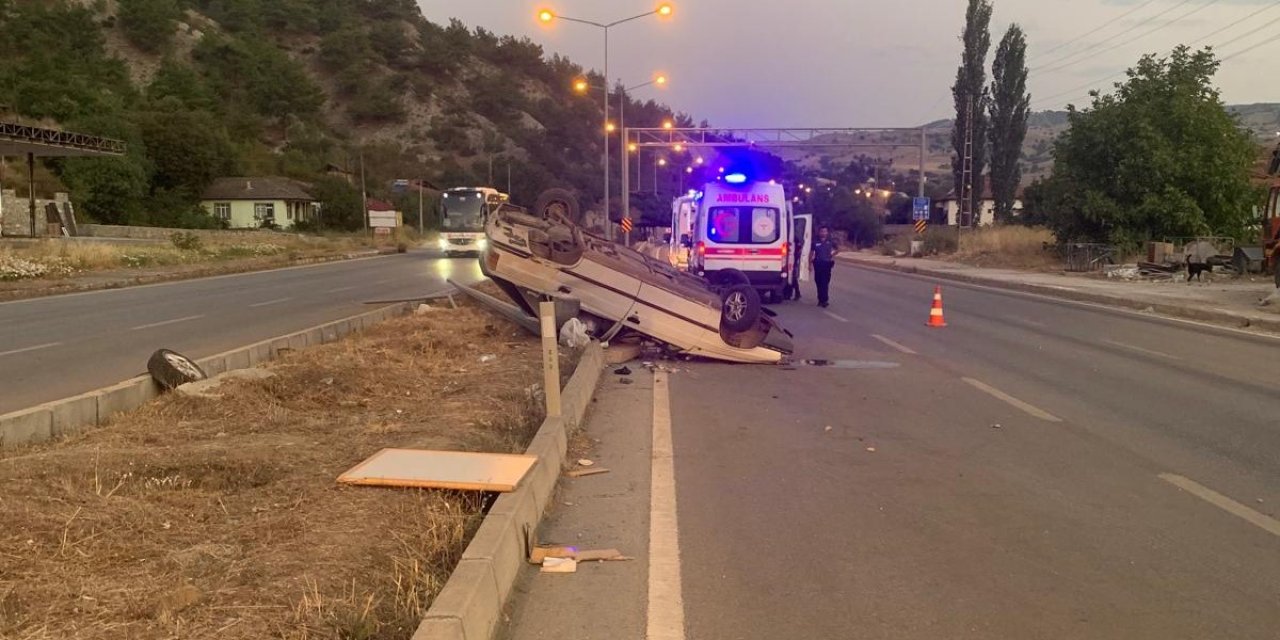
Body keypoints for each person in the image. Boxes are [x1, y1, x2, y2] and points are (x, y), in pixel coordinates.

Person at [810, 226, 839, 308]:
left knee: (825, 282)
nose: (823, 233)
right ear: (819, 232)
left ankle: (825, 300)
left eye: (825, 231)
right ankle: (820, 299)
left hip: (827, 264)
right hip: (818, 264)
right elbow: (811, 253)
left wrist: (831, 255)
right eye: (822, 231)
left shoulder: (830, 242)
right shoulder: (815, 242)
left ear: (827, 232)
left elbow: (837, 249)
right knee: (818, 281)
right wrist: (809, 265)